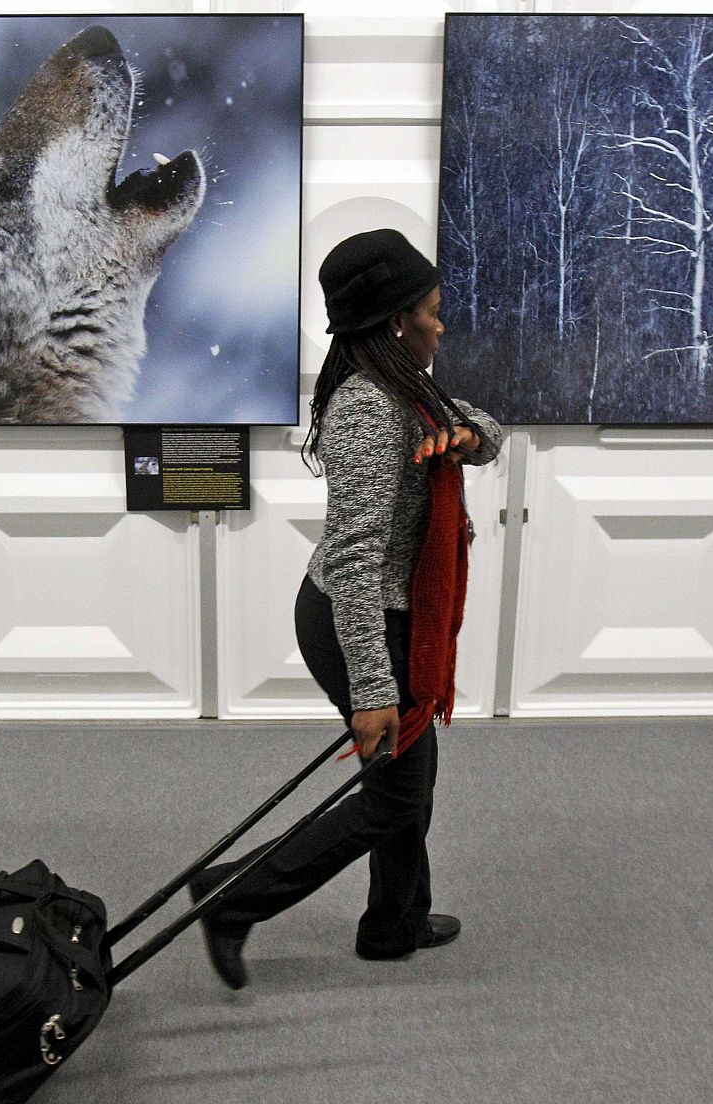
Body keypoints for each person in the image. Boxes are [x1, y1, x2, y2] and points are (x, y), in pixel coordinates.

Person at [188, 228, 503, 988]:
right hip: (357, 622)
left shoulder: (410, 389)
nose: (441, 324)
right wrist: (371, 690)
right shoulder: (370, 410)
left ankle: (393, 926)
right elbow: (357, 560)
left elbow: (489, 427)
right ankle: (231, 897)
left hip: (392, 618)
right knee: (394, 799)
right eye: (431, 311)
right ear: (397, 320)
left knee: (410, 783)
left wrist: (469, 437)